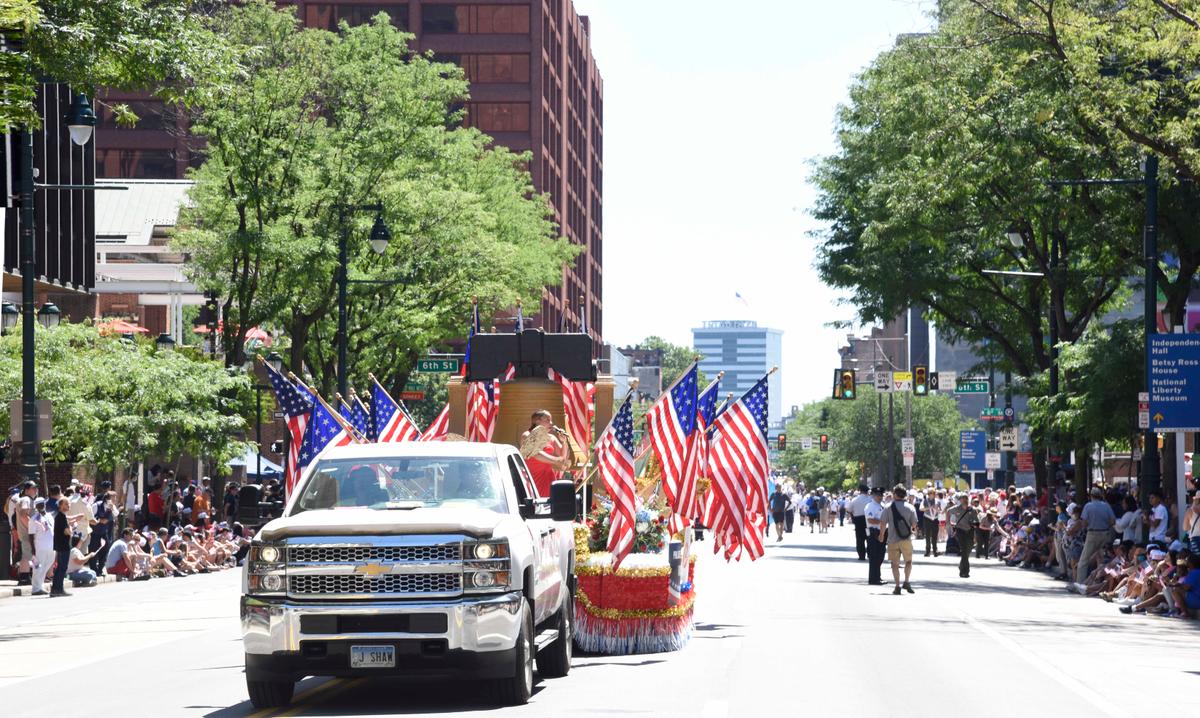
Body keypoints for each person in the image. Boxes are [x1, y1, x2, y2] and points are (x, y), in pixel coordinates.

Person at [1073, 487, 1117, 590]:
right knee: (1103, 559)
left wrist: (1091, 523)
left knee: (1084, 560)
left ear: (1091, 496)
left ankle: (1080, 584)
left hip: (1092, 533)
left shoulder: (1088, 506)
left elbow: (1084, 523)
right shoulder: (1106, 506)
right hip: (1105, 533)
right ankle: (1098, 583)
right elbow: (1113, 521)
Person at [878, 485, 918, 594]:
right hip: (906, 539)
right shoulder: (910, 507)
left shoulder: (888, 507)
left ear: (895, 494)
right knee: (908, 561)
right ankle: (907, 581)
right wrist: (911, 529)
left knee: (894, 564)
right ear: (905, 495)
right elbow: (914, 524)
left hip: (892, 539)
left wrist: (881, 535)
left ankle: (897, 586)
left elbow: (883, 523)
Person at [522, 410, 570, 497]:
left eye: (551, 420)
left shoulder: (552, 438)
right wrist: (558, 460)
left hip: (548, 478)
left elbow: (564, 457)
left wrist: (564, 442)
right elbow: (536, 453)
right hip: (532, 478)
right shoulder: (526, 435)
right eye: (547, 420)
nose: (551, 423)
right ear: (537, 421)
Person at [946, 493, 979, 578]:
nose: (964, 500)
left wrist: (974, 525)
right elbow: (948, 512)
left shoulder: (973, 510)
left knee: (967, 551)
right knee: (964, 550)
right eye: (962, 499)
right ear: (960, 500)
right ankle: (965, 571)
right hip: (960, 531)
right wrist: (949, 523)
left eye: (966, 498)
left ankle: (961, 565)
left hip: (970, 531)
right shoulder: (956, 509)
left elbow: (977, 522)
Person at [14, 480, 38, 585]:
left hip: (27, 533)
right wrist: (33, 528)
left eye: (36, 488)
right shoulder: (26, 499)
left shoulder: (27, 499)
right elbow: (24, 514)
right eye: (33, 488)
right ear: (27, 490)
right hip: (27, 533)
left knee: (28, 555)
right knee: (27, 555)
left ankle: (26, 576)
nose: (36, 490)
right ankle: (24, 577)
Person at [51, 497, 74, 597]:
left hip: (61, 545)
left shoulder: (61, 516)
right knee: (62, 567)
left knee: (60, 567)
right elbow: (66, 531)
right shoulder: (60, 516)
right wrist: (71, 529)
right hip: (63, 546)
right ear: (60, 506)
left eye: (68, 504)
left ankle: (55, 588)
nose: (68, 506)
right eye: (66, 504)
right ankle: (58, 589)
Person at [865, 486, 885, 585]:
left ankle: (878, 576)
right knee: (874, 556)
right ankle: (873, 579)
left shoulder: (881, 505)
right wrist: (882, 522)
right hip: (874, 532)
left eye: (881, 495)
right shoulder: (871, 506)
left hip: (881, 531)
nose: (879, 497)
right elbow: (870, 519)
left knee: (880, 556)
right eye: (877, 495)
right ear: (873, 495)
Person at [849, 484, 871, 560]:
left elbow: (849, 510)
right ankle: (870, 554)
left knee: (859, 539)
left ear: (860, 491)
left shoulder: (854, 500)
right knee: (869, 537)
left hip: (858, 521)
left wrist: (853, 515)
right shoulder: (870, 499)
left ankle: (861, 555)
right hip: (868, 521)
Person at [922, 489, 941, 557]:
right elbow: (921, 509)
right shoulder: (925, 500)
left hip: (935, 519)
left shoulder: (937, 501)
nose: (932, 495)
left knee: (934, 536)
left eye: (933, 493)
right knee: (927, 536)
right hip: (927, 518)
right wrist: (929, 507)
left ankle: (935, 550)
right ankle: (928, 551)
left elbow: (940, 511)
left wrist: (937, 509)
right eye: (930, 493)